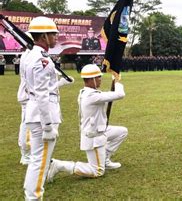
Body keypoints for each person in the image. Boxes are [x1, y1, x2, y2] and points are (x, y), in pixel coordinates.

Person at [45, 64, 127, 182]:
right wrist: (117, 80)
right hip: (93, 136)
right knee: (97, 171)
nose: (100, 79)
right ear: (91, 79)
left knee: (122, 132)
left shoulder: (89, 92)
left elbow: (107, 96)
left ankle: (105, 159)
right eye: (98, 77)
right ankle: (60, 165)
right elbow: (120, 94)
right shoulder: (91, 96)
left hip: (100, 130)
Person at [22, 16, 75, 200]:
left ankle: (32, 196)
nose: (56, 37)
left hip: (35, 112)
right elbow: (42, 95)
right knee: (40, 161)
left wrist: (60, 83)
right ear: (44, 36)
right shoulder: (42, 60)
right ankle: (34, 197)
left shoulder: (31, 56)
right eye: (53, 34)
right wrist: (47, 127)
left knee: (37, 160)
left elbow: (39, 88)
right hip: (43, 116)